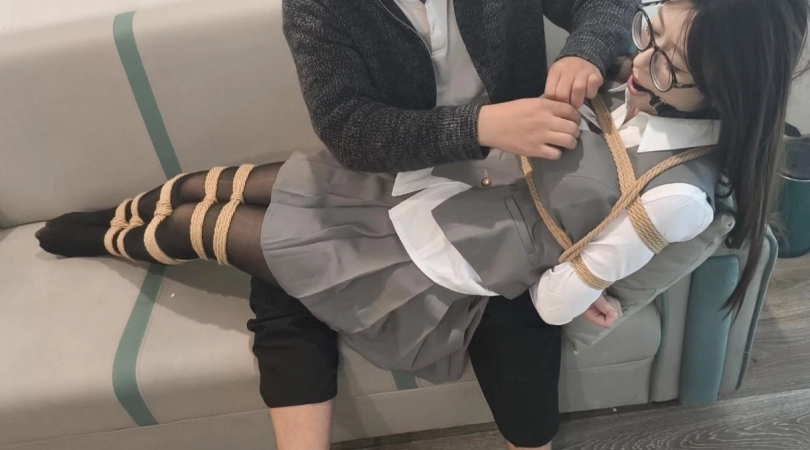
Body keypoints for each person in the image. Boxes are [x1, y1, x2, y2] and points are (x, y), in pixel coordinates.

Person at [34, 1, 810, 449]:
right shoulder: (321, 7)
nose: (643, 63)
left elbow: (610, 10)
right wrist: (481, 127)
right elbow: (349, 129)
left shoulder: (673, 137)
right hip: (404, 170)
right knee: (240, 203)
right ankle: (112, 225)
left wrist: (582, 53)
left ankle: (120, 232)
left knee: (260, 245)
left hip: (479, 219)